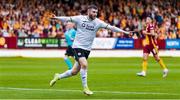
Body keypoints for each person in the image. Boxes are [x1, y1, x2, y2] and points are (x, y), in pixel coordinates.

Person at [49, 5, 130, 95]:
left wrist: (125, 32)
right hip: (77, 46)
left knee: (74, 71)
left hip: (87, 49)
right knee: (84, 64)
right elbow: (67, 18)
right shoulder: (80, 18)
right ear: (88, 11)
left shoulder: (98, 22)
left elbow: (111, 27)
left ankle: (58, 76)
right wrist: (56, 18)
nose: (95, 14)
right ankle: (85, 88)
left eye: (96, 12)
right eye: (93, 12)